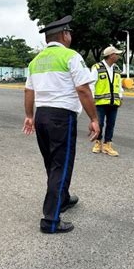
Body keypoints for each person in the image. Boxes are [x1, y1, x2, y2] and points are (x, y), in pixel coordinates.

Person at [23, 15, 100, 234]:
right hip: (61, 117)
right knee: (61, 165)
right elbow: (83, 89)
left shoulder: (36, 61)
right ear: (64, 34)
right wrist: (94, 119)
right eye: (70, 32)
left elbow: (29, 91)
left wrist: (29, 115)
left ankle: (63, 199)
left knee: (53, 163)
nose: (71, 36)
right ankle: (51, 220)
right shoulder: (70, 56)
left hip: (41, 115)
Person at [90, 46, 124, 157]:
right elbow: (91, 85)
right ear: (111, 55)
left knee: (111, 124)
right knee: (99, 124)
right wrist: (91, 100)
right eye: (116, 54)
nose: (118, 56)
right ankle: (98, 143)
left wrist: (120, 97)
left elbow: (119, 85)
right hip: (99, 102)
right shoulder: (97, 67)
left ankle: (107, 145)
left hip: (113, 102)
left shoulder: (116, 68)